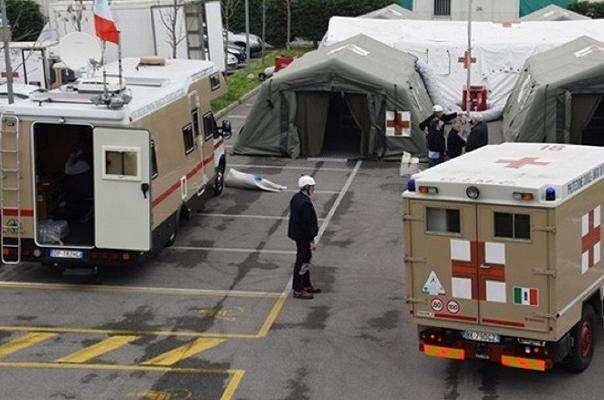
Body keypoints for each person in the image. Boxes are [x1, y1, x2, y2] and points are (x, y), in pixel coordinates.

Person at [288, 175, 320, 300]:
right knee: (303, 260)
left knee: (305, 259)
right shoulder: (305, 203)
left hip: (298, 234)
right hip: (303, 236)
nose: (313, 189)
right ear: (306, 187)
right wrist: (311, 239)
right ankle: (298, 288)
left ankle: (306, 284)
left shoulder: (297, 198)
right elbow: (307, 223)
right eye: (312, 187)